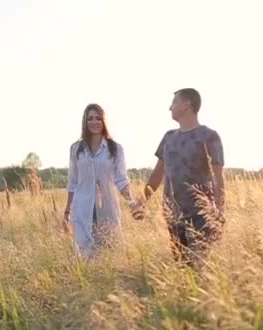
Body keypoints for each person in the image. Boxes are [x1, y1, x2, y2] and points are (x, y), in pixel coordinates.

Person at [134, 88, 225, 267]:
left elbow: (218, 177)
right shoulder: (168, 137)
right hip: (173, 214)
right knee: (181, 266)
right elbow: (157, 174)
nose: (170, 107)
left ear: (187, 104)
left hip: (200, 214)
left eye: (174, 102)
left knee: (200, 267)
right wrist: (142, 201)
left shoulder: (209, 136)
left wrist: (219, 211)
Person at [63, 103, 140, 259]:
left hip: (107, 206)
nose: (94, 122)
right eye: (90, 118)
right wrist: (67, 211)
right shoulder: (76, 149)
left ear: (104, 121)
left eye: (98, 118)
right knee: (85, 253)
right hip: (83, 207)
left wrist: (131, 202)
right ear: (85, 122)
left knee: (110, 248)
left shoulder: (115, 149)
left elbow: (121, 179)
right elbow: (72, 182)